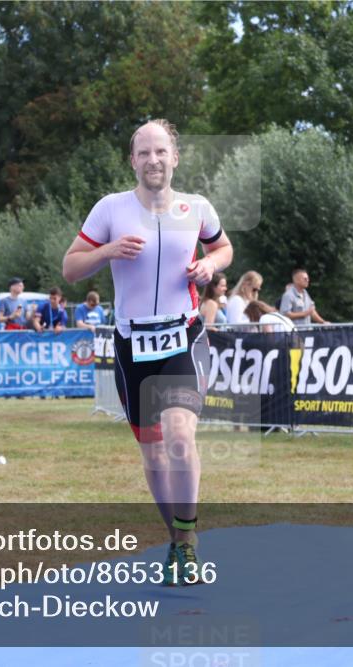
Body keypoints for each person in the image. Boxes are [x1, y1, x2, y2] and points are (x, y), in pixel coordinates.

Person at [61, 118, 233, 585]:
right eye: (144, 153)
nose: (153, 160)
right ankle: (175, 540)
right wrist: (109, 250)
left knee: (180, 434)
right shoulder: (110, 209)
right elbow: (71, 267)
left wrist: (208, 265)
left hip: (183, 336)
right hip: (132, 345)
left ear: (175, 157)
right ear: (132, 160)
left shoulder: (195, 207)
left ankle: (189, 538)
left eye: (161, 152)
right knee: (154, 456)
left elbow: (224, 248)